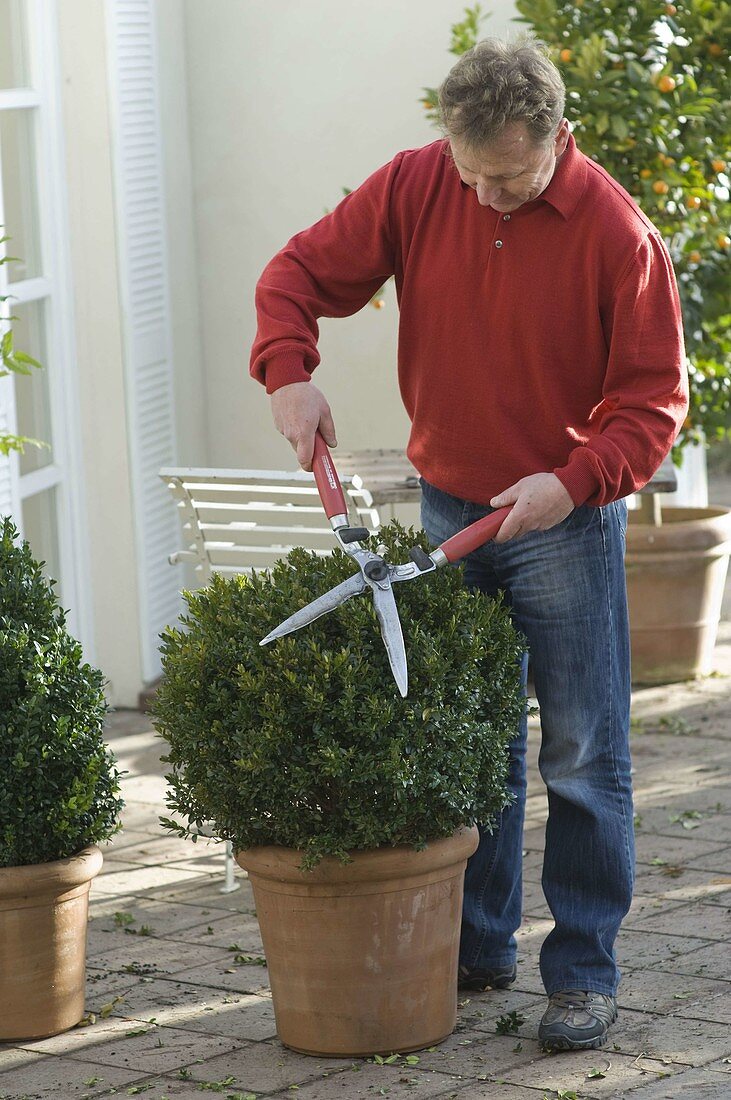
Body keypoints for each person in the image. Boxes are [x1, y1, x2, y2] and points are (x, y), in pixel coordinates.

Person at [249, 37, 688, 1051]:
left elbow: (651, 403)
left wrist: (570, 479)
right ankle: (478, 945)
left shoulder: (616, 234)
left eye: (510, 176)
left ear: (553, 141)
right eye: (472, 172)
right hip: (447, 509)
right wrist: (286, 371)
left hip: (558, 521)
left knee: (580, 754)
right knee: (472, 742)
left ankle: (580, 971)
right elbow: (296, 272)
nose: (487, 194)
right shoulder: (414, 185)